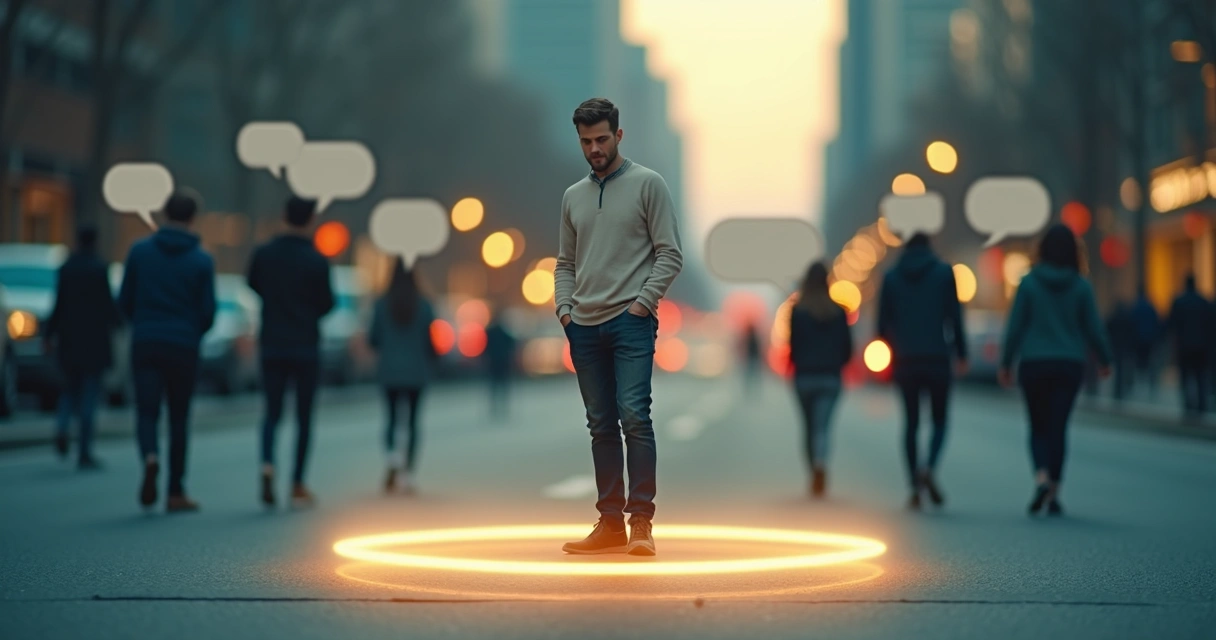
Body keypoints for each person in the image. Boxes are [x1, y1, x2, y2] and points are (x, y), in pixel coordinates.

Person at [555, 98, 683, 556]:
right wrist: (565, 311)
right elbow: (565, 263)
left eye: (602, 139)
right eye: (586, 141)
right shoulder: (573, 196)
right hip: (584, 326)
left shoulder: (649, 184)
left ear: (619, 135)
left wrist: (642, 306)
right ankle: (609, 524)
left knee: (635, 417)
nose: (594, 149)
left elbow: (670, 252)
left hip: (631, 323)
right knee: (600, 424)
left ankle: (641, 524)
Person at [999, 224, 1113, 517]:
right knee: (1058, 427)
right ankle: (1055, 491)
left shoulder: (1028, 283)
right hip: (1069, 364)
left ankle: (1041, 478)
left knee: (1037, 426)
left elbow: (1015, 327)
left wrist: (1006, 362)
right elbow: (1093, 328)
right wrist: (1104, 359)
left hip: (1034, 363)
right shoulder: (1081, 285)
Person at [117, 190, 216, 513]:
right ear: (192, 218)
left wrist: (143, 324)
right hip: (184, 346)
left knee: (146, 411)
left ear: (164, 213)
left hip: (146, 341)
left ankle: (149, 456)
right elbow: (208, 311)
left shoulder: (140, 252)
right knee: (179, 417)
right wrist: (191, 332)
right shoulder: (202, 260)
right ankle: (175, 491)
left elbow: (125, 301)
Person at [247, 197, 335, 509]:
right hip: (305, 346)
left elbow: (252, 284)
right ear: (310, 220)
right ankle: (298, 483)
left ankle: (267, 464)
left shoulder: (264, 254)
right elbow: (327, 303)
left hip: (272, 342)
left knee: (271, 412)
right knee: (304, 416)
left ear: (284, 216)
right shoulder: (316, 260)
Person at [877, 232, 967, 511]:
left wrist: (894, 346)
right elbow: (955, 316)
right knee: (939, 420)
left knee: (911, 423)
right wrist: (961, 352)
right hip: (938, 357)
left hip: (906, 361)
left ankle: (914, 485)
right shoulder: (944, 273)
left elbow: (882, 325)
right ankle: (929, 467)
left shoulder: (891, 277)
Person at [44, 225, 122, 470]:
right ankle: (84, 450)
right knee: (89, 395)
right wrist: (119, 323)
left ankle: (62, 426)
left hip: (69, 340)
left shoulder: (67, 269)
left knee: (69, 390)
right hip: (95, 342)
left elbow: (58, 304)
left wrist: (49, 334)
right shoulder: (99, 269)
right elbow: (109, 306)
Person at [368, 259, 436, 495]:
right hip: (417, 371)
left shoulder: (380, 304)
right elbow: (431, 342)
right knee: (413, 423)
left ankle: (393, 459)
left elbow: (373, 339)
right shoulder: (424, 305)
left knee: (391, 419)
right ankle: (407, 473)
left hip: (389, 371)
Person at [787, 262, 854, 498]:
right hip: (830, 377)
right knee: (823, 427)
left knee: (808, 427)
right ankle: (821, 463)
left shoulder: (798, 311)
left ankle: (813, 470)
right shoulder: (838, 312)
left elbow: (793, 346)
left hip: (804, 377)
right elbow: (847, 348)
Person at [1166, 274, 1215, 417]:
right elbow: (1210, 327)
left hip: (1184, 346)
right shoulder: (1204, 302)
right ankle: (1201, 406)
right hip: (1201, 347)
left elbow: (1171, 325)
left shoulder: (1179, 302)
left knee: (1186, 377)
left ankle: (1188, 405)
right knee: (1200, 377)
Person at [483, 311, 517, 422]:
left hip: (493, 362)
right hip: (502, 361)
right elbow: (512, 343)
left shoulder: (489, 331)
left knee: (494, 385)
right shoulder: (503, 331)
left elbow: (485, 347)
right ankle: (502, 406)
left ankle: (495, 406)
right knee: (502, 385)